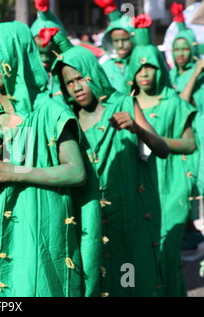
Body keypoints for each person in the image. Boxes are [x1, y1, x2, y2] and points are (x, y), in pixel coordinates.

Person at [0, 0, 102, 297]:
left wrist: (15, 172)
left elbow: (77, 173)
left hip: (39, 236)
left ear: (18, 54)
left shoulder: (50, 111)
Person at [50, 27, 170, 297]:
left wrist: (138, 130)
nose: (77, 86)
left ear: (94, 72)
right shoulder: (68, 120)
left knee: (131, 284)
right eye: (69, 82)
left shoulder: (124, 104)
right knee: (98, 285)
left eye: (81, 77)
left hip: (130, 218)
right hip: (91, 220)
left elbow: (161, 150)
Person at [125, 13, 197, 297]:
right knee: (139, 257)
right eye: (139, 68)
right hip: (136, 189)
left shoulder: (175, 103)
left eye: (150, 67)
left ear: (160, 69)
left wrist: (153, 139)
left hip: (170, 188)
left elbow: (189, 144)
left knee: (167, 255)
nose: (145, 74)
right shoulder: (124, 104)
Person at [169, 2, 204, 251]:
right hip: (180, 141)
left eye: (185, 48)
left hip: (199, 139)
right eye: (176, 48)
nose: (180, 53)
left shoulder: (200, 75)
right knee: (184, 187)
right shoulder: (170, 76)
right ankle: (189, 234)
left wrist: (198, 69)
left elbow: (184, 101)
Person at [94, 0, 135, 93]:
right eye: (116, 41)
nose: (120, 45)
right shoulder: (104, 67)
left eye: (124, 40)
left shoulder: (141, 66)